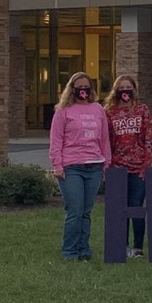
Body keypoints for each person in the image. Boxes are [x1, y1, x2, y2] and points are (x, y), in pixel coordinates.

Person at [49, 72, 111, 261]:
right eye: (79, 86)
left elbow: (104, 138)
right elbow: (56, 139)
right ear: (72, 89)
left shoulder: (98, 109)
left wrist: (106, 163)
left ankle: (84, 249)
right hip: (71, 167)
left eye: (86, 86)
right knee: (75, 211)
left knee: (86, 211)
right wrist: (57, 165)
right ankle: (69, 251)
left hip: (94, 166)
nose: (83, 89)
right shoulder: (63, 111)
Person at [104, 75, 152, 259]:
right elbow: (107, 140)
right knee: (120, 207)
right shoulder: (109, 112)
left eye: (128, 87)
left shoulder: (142, 109)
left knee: (136, 206)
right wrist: (108, 165)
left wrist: (146, 164)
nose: (125, 90)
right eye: (122, 87)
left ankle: (138, 248)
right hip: (118, 166)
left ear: (134, 89)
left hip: (138, 166)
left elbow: (148, 138)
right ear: (116, 90)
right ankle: (122, 246)